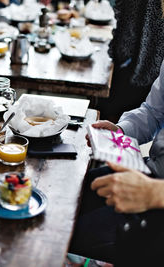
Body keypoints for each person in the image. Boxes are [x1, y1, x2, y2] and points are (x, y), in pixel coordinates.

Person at [69, 59, 164, 266]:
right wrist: (121, 131)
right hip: (150, 171)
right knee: (66, 194)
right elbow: (154, 113)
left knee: (67, 230)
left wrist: (156, 192)